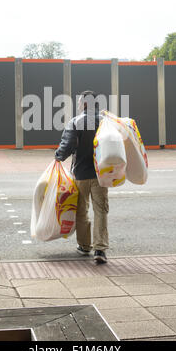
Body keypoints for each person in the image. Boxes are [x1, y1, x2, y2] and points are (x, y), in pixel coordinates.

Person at [55, 90, 109, 264]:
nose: (78, 104)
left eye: (79, 102)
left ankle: (85, 246)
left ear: (84, 104)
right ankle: (100, 249)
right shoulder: (104, 121)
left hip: (81, 173)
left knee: (81, 210)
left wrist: (58, 156)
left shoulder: (76, 121)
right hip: (101, 173)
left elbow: (67, 145)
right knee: (101, 210)